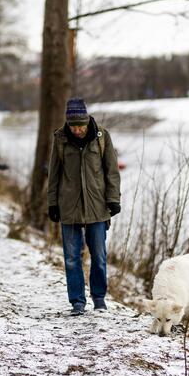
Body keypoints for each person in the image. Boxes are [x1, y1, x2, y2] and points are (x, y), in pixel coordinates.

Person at [47, 98, 121, 316]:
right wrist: (52, 203)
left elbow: (112, 171)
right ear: (68, 124)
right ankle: (77, 302)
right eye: (73, 125)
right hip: (68, 207)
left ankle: (99, 299)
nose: (78, 130)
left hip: (97, 207)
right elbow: (54, 174)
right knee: (71, 258)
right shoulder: (60, 139)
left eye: (81, 125)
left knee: (98, 256)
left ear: (88, 121)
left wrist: (113, 198)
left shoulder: (102, 137)